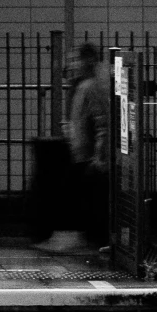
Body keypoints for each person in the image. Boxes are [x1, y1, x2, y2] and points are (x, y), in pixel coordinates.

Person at [38, 42, 112, 254]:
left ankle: (82, 241)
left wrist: (100, 155)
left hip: (87, 155)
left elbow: (102, 123)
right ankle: (81, 240)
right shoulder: (82, 86)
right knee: (80, 198)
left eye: (75, 60)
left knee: (81, 199)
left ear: (87, 61)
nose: (72, 65)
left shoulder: (90, 86)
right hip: (81, 152)